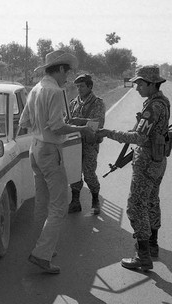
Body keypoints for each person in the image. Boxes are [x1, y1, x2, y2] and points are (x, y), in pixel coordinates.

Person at [19, 50, 95, 274]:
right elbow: (57, 126)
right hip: (51, 150)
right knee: (59, 205)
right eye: (67, 72)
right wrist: (81, 129)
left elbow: (24, 121)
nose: (67, 77)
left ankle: (42, 247)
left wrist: (40, 129)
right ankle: (42, 254)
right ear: (60, 69)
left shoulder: (36, 89)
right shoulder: (54, 91)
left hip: (36, 148)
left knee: (42, 202)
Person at [97, 65, 170, 271]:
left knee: (135, 206)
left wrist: (109, 132)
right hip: (158, 160)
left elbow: (138, 138)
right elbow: (146, 131)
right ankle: (153, 244)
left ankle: (143, 255)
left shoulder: (152, 107)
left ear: (151, 84)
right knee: (151, 201)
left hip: (146, 163)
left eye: (139, 84)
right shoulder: (162, 102)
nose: (136, 87)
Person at [67, 74, 106, 215]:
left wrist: (80, 121)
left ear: (90, 86)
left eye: (82, 86)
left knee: (89, 173)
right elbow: (67, 121)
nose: (79, 89)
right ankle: (75, 201)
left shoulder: (97, 103)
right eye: (77, 86)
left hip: (90, 144)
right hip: (74, 143)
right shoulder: (73, 103)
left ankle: (95, 200)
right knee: (74, 172)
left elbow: (98, 124)